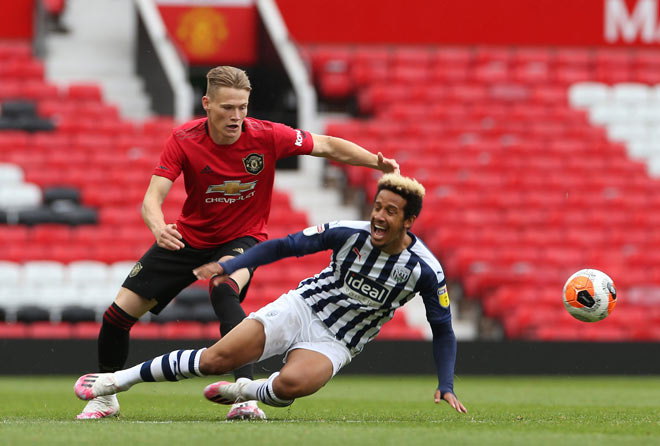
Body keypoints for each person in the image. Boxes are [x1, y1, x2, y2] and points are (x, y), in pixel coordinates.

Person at [76, 66, 400, 421]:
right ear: (207, 104)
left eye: (243, 107)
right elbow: (152, 198)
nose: (237, 116)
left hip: (243, 238)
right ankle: (105, 398)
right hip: (188, 238)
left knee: (223, 287)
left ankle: (243, 397)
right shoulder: (183, 139)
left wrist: (376, 162)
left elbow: (323, 144)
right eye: (228, 107)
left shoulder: (267, 135)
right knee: (117, 315)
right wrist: (158, 227)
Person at [74, 174, 468, 415]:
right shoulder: (349, 232)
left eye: (390, 211)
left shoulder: (425, 271)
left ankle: (247, 391)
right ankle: (115, 381)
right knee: (215, 359)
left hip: (338, 340)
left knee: (289, 387)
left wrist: (446, 383)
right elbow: (285, 246)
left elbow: (444, 330)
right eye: (377, 207)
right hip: (301, 307)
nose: (378, 217)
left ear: (409, 220)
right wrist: (229, 266)